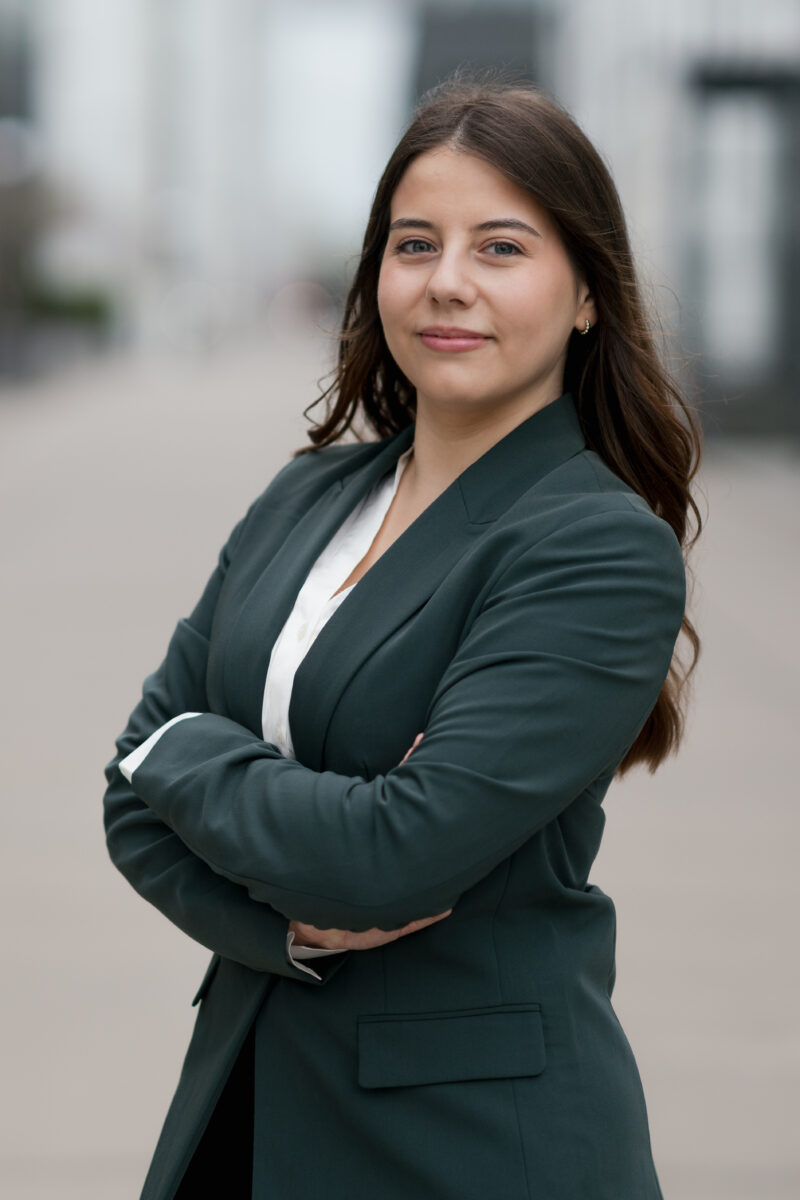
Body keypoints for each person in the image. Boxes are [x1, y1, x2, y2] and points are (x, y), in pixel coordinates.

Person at [103, 70, 702, 1200]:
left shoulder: (592, 546)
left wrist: (184, 753)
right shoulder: (306, 498)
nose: (447, 285)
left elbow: (387, 857)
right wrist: (287, 924)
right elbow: (126, 804)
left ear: (584, 295)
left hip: (467, 1149)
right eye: (414, 243)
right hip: (246, 1113)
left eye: (501, 249)